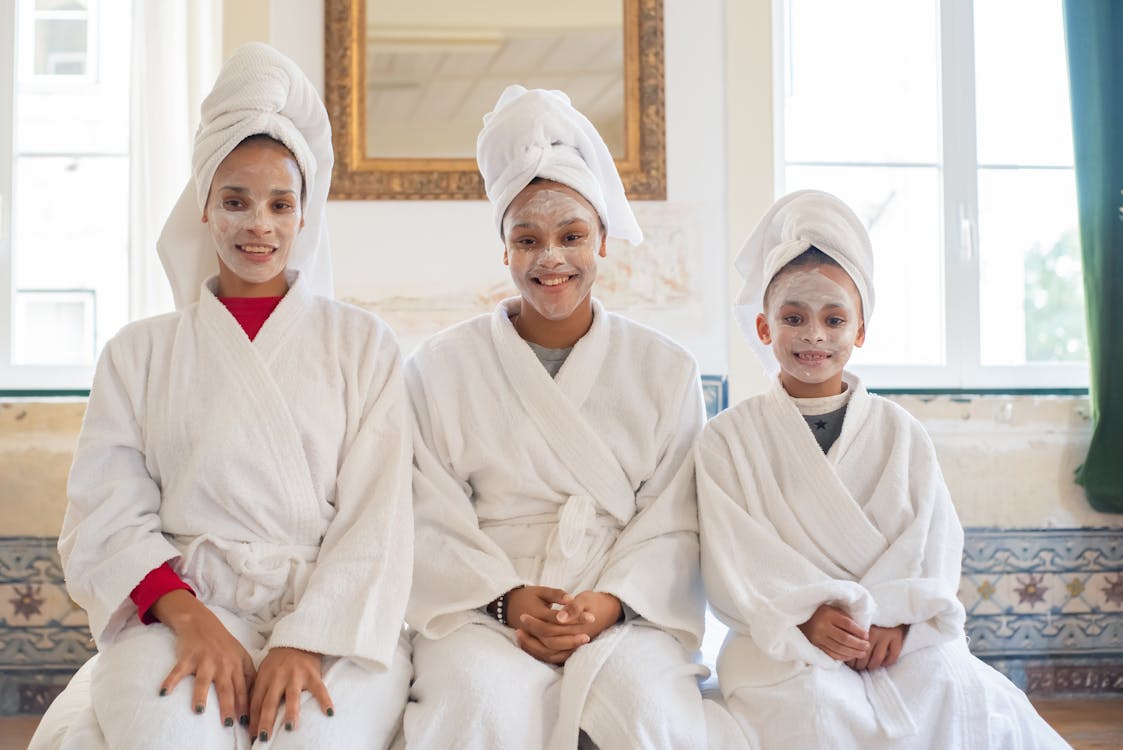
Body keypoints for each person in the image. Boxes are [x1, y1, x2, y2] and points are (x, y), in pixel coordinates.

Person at [29, 43, 412, 750]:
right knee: (163, 735)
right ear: (204, 209)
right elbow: (104, 512)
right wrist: (188, 617)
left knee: (306, 740)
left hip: (330, 615)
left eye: (278, 203)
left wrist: (304, 643)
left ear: (304, 217)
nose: (257, 225)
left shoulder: (366, 346)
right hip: (185, 608)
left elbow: (379, 520)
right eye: (234, 201)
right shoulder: (137, 353)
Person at [402, 85, 742, 749]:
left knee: (645, 706)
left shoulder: (665, 369)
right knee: (476, 697)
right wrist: (509, 598)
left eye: (571, 236)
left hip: (623, 606)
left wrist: (609, 603)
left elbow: (674, 518)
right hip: (485, 606)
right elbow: (426, 514)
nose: (551, 258)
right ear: (504, 250)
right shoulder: (437, 368)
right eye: (527, 239)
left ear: (602, 243)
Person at [695, 189, 1071, 749]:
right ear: (765, 328)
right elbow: (733, 560)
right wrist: (805, 619)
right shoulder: (726, 439)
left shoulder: (901, 433)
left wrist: (897, 621)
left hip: (895, 637)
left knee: (957, 693)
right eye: (793, 317)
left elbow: (934, 540)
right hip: (784, 641)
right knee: (813, 715)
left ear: (861, 331)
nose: (814, 335)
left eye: (834, 318)